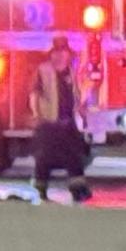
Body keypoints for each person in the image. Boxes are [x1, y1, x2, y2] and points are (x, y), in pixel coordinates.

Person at [31, 36, 92, 203]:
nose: (60, 55)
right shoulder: (43, 70)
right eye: (57, 52)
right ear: (51, 54)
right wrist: (37, 115)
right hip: (49, 122)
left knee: (74, 157)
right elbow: (35, 93)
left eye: (63, 52)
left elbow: (76, 94)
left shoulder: (71, 72)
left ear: (68, 54)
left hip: (67, 122)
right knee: (44, 158)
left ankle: (78, 189)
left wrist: (81, 112)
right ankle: (41, 190)